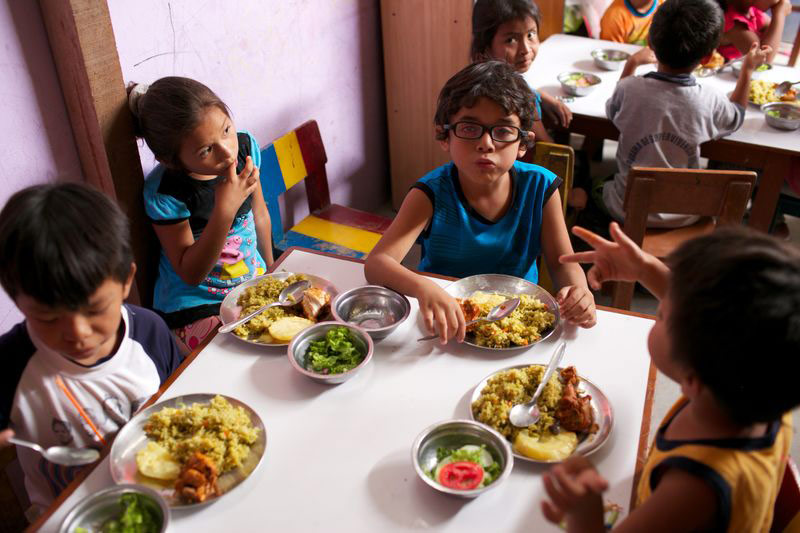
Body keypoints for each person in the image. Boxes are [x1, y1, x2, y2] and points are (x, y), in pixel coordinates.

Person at [541, 223, 800, 532]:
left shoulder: (692, 490)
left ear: (693, 376)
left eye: (662, 314)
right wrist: (643, 266)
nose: (662, 300)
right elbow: (699, 317)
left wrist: (585, 516)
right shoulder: (761, 381)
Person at [365, 61, 596, 344]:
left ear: (523, 143)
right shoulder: (430, 194)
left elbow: (562, 264)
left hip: (518, 319)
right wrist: (424, 287)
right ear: (444, 135)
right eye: (469, 128)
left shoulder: (541, 187)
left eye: (502, 131)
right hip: (447, 323)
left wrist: (579, 291)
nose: (486, 143)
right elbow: (377, 263)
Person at [0, 183, 182, 514]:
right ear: (18, 301)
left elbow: (182, 402)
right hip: (68, 516)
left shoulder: (150, 334)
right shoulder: (9, 365)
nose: (78, 334)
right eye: (48, 318)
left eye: (95, 309)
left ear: (127, 280)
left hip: (167, 499)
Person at [591, 0, 770, 230]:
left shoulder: (629, 89)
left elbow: (612, 111)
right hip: (686, 214)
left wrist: (632, 64)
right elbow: (736, 117)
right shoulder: (710, 99)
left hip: (628, 210)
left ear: (650, 43)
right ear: (707, 58)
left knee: (597, 185)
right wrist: (747, 69)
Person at [129, 77, 274, 353]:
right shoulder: (167, 193)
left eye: (227, 130)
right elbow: (191, 273)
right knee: (235, 351)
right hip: (195, 303)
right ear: (171, 160)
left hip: (248, 280)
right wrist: (225, 209)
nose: (227, 151)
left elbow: (260, 214)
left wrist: (271, 269)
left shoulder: (245, 151)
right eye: (206, 150)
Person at [470, 0, 573, 143]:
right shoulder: (517, 100)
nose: (525, 49)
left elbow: (521, 85)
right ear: (485, 46)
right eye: (511, 40)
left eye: (530, 35)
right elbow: (545, 145)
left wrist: (542, 96)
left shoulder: (491, 78)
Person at [716, 0, 791, 62]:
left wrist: (778, 15)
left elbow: (772, 32)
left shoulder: (753, 12)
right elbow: (763, 61)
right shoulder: (731, 21)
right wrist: (779, 14)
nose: (783, 1)